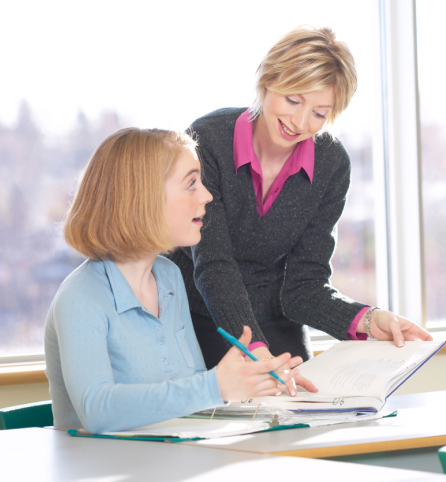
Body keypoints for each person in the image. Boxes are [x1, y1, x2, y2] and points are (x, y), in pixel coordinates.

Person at [169, 26, 432, 389]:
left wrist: (370, 320)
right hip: (200, 315)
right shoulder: (208, 139)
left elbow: (304, 286)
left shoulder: (331, 163)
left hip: (277, 320)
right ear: (267, 82)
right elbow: (213, 265)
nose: (300, 122)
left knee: (304, 414)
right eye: (293, 100)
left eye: (319, 113)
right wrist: (255, 352)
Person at [44, 128, 302, 434]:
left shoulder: (168, 276)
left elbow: (190, 387)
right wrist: (215, 385)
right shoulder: (81, 296)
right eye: (191, 184)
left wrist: (256, 382)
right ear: (144, 198)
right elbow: (97, 411)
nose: (207, 195)